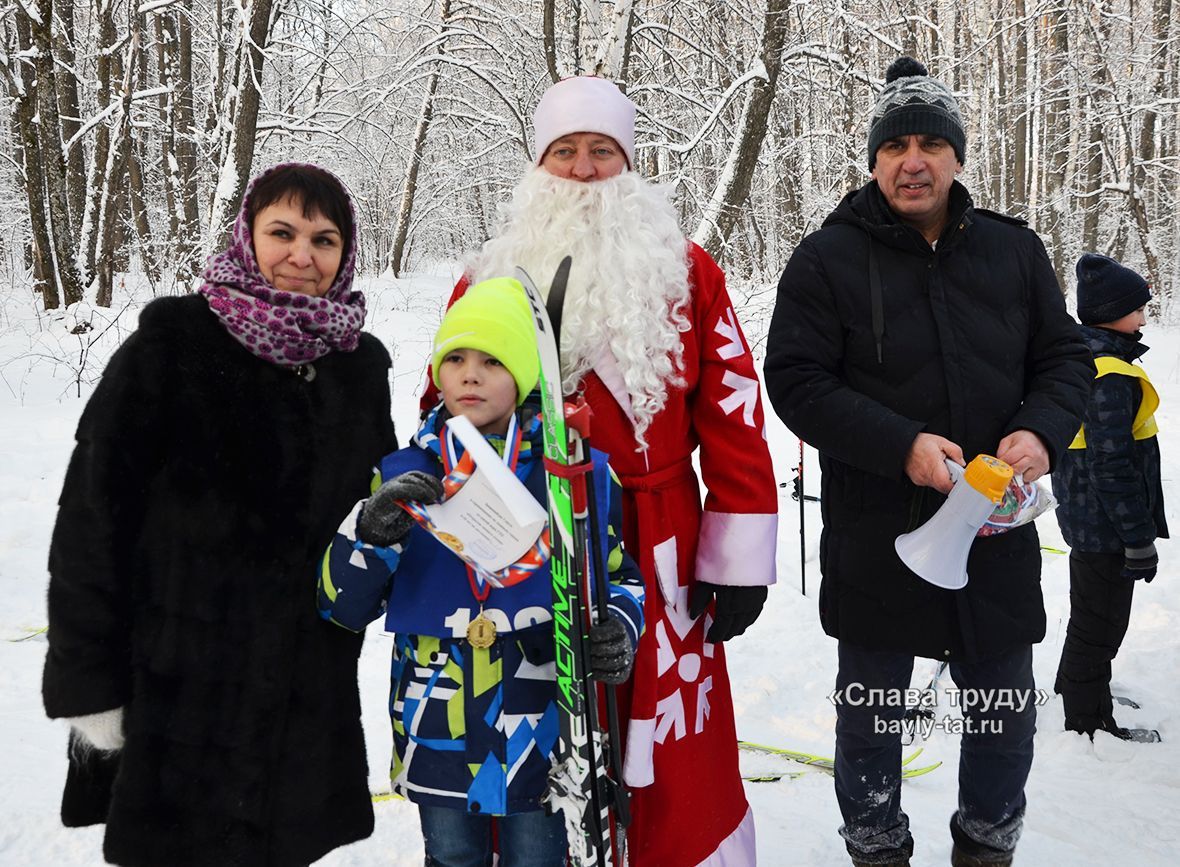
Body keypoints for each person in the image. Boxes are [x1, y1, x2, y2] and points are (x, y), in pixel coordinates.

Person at [422, 76, 779, 865]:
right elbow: (440, 409)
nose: (584, 169)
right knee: (539, 744)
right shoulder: (489, 274)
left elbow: (733, 411)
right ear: (539, 167)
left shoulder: (689, 272)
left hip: (661, 542)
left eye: (602, 152)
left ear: (629, 163)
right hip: (526, 548)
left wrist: (738, 556)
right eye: (566, 152)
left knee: (672, 748)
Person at [763, 57, 1093, 867]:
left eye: (931, 143)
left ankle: (986, 846)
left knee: (1003, 715)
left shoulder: (1015, 253)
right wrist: (898, 444)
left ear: (956, 156)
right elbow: (796, 381)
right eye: (896, 145)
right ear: (874, 160)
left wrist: (1042, 433)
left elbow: (1066, 360)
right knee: (873, 719)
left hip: (995, 535)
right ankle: (877, 850)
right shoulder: (825, 260)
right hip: (879, 536)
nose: (914, 160)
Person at [41, 163, 396, 866]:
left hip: (302, 697)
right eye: (282, 231)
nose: (303, 254)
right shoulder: (168, 352)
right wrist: (91, 683)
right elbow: (90, 520)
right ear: (247, 235)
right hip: (179, 694)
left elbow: (375, 524)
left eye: (324, 239)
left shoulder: (359, 373)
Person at [318, 277, 645, 865]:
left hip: (544, 724)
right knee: (449, 856)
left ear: (525, 373)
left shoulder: (576, 476)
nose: (470, 374)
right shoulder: (404, 476)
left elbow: (621, 579)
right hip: (434, 721)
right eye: (456, 359)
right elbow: (339, 603)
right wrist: (373, 529)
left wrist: (619, 627)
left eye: (493, 360)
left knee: (537, 857)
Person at [1052, 253, 1167, 742]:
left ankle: (1078, 687)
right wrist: (1138, 538)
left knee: (1091, 614)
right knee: (1101, 624)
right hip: (1105, 525)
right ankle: (1087, 720)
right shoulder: (1109, 374)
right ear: (1110, 312)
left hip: (1088, 517)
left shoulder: (1086, 356)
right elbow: (1112, 463)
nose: (1144, 317)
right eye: (1137, 308)